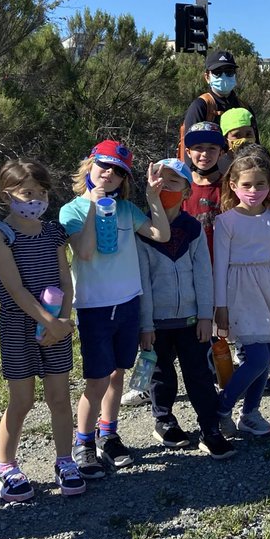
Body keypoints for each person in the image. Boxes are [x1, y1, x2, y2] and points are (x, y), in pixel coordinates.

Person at [60, 141, 170, 479]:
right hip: (94, 307)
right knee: (96, 380)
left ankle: (109, 434)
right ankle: (83, 443)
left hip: (127, 303)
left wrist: (152, 197)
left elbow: (161, 234)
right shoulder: (73, 210)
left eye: (118, 171)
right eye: (103, 166)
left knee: (118, 374)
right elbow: (86, 253)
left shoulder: (126, 210)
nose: (109, 174)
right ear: (89, 167)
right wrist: (93, 206)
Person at [0, 159, 82, 503]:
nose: (35, 199)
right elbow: (16, 290)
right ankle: (5, 467)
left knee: (59, 398)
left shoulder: (53, 231)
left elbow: (65, 280)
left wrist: (62, 321)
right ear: (6, 193)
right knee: (21, 400)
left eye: (41, 192)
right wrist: (50, 322)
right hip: (18, 326)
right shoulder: (0, 235)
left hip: (56, 325)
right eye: (27, 192)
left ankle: (65, 461)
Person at [137, 159, 234, 459]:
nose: (165, 187)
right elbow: (141, 279)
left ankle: (210, 428)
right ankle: (164, 420)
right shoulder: (141, 228)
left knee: (200, 376)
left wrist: (206, 314)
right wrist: (145, 324)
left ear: (186, 191)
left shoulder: (192, 228)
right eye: (160, 181)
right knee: (161, 373)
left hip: (193, 320)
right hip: (157, 322)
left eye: (173, 182)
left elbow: (204, 274)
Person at [213, 150, 270, 437]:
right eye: (246, 185)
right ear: (233, 186)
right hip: (239, 292)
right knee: (258, 358)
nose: (253, 190)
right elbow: (220, 266)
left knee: (268, 353)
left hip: (269, 289)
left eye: (260, 184)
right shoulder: (225, 222)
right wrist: (220, 305)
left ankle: (250, 414)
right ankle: (221, 408)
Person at [180, 49, 260, 159]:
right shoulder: (200, 106)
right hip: (207, 172)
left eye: (229, 71)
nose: (224, 76)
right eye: (217, 72)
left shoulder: (245, 107)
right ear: (207, 77)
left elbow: (256, 146)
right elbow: (189, 147)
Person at [181, 121, 228, 257]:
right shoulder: (180, 186)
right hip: (187, 260)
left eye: (212, 148)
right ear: (188, 152)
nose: (205, 153)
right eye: (198, 147)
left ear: (221, 152)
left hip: (219, 262)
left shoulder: (228, 187)